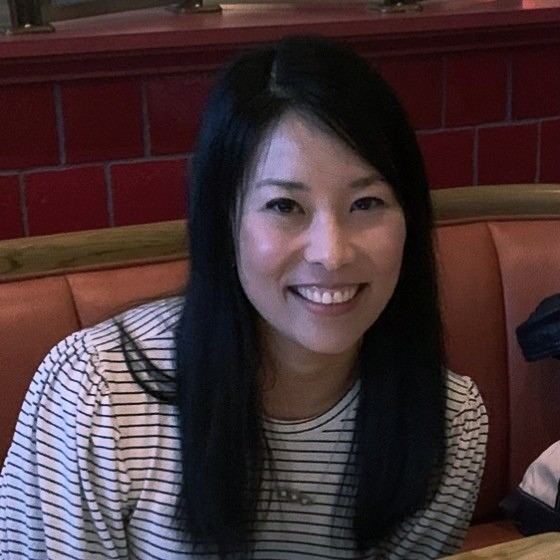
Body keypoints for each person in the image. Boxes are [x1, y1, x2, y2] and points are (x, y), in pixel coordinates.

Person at [0, 35, 488, 559]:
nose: (331, 253)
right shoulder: (98, 396)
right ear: (223, 223)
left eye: (366, 203)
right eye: (284, 206)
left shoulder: (447, 423)